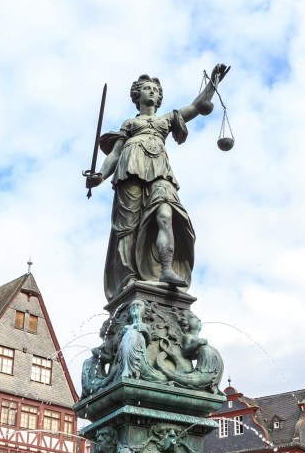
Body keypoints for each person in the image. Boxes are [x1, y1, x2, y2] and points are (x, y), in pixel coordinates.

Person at [86, 64, 229, 301]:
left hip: (160, 170)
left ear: (159, 97)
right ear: (137, 95)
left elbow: (196, 107)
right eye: (146, 88)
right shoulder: (130, 124)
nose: (152, 91)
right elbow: (114, 154)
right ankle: (128, 277)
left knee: (166, 214)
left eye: (155, 89)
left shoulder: (167, 120)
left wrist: (213, 84)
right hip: (130, 168)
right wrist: (100, 176)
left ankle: (166, 269)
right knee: (127, 227)